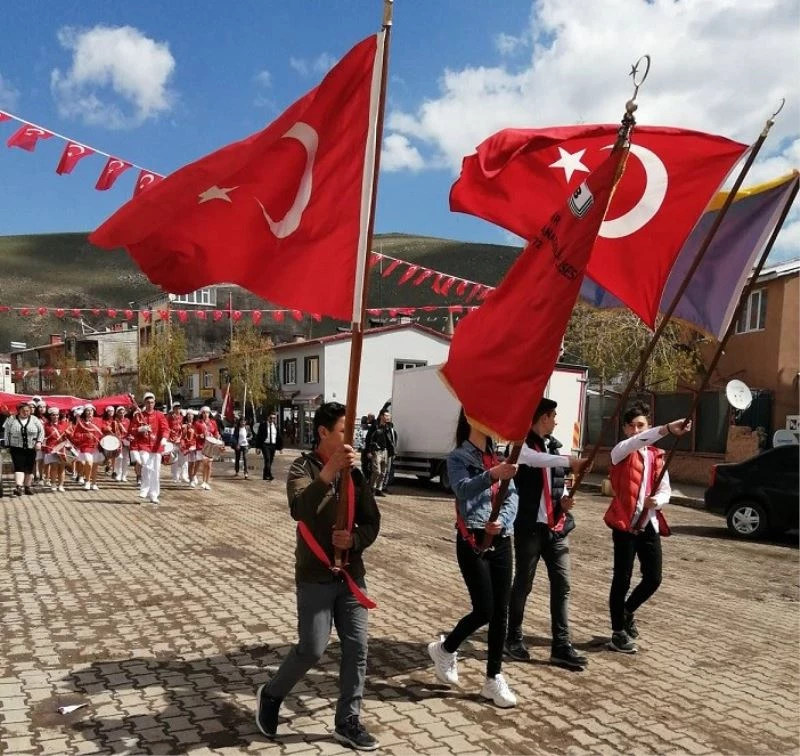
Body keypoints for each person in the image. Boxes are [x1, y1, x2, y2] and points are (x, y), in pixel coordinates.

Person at [255, 402, 381, 750]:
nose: (350, 437)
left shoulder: (356, 474)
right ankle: (272, 694)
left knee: (357, 648)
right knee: (312, 648)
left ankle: (348, 720)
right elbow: (300, 509)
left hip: (351, 574)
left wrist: (354, 540)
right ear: (324, 432)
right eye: (343, 430)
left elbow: (372, 521)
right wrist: (329, 473)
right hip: (315, 574)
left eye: (352, 431)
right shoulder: (303, 467)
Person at [428, 409, 519, 708]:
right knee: (485, 609)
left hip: (501, 539)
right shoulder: (458, 457)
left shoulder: (500, 456)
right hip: (472, 540)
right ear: (471, 419)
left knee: (501, 612)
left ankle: (493, 678)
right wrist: (493, 475)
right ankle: (446, 648)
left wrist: (503, 520)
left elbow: (512, 496)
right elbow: (462, 489)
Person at [506, 398, 589, 670]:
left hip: (556, 528)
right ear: (543, 417)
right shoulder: (521, 446)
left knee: (562, 585)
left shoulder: (554, 446)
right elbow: (536, 461)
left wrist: (563, 500)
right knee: (523, 584)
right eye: (553, 416)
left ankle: (561, 646)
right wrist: (570, 461)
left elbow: (556, 479)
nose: (556, 421)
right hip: (530, 529)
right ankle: (513, 637)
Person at [605, 401, 692, 653]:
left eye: (641, 425)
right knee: (622, 578)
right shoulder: (620, 451)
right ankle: (617, 632)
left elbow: (665, 490)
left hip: (648, 523)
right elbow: (636, 442)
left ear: (647, 425)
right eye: (631, 426)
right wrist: (667, 429)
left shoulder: (657, 456)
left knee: (653, 577)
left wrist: (658, 501)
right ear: (625, 429)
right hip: (624, 523)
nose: (636, 430)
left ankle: (627, 611)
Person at [130, 392, 169, 505]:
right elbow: (131, 430)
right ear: (144, 403)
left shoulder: (159, 415)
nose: (150, 404)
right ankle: (144, 489)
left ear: (154, 403)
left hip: (156, 446)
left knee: (155, 471)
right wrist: (140, 429)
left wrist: (164, 439)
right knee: (146, 465)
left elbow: (165, 429)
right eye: (148, 402)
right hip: (143, 445)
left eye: (152, 402)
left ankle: (154, 494)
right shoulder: (138, 415)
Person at [3, 401, 45, 496]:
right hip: (16, 447)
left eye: (27, 411)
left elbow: (41, 431)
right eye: (23, 411)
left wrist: (39, 442)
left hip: (31, 447)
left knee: (29, 467)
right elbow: (6, 432)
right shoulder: (11, 419)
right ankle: (18, 487)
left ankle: (27, 487)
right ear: (19, 411)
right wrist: (7, 445)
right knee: (19, 467)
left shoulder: (34, 419)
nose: (26, 413)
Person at [72, 405, 104, 491]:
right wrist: (85, 435)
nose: (90, 412)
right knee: (89, 463)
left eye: (91, 410)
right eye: (88, 411)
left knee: (95, 465)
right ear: (85, 412)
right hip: (86, 446)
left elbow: (103, 431)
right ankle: (87, 481)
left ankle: (94, 483)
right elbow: (76, 435)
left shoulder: (98, 421)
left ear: (94, 412)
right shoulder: (81, 423)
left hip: (96, 446)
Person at [364, 409, 394, 497]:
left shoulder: (389, 427)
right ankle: (371, 488)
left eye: (389, 416)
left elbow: (391, 440)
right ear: (381, 416)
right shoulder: (375, 426)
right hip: (376, 451)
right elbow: (368, 439)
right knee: (377, 471)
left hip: (385, 451)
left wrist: (392, 451)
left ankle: (379, 489)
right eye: (386, 415)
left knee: (383, 472)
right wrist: (369, 451)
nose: (388, 417)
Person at [193, 406, 221, 490]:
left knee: (209, 465)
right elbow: (194, 434)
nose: (206, 414)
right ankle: (195, 476)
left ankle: (206, 482)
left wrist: (217, 436)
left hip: (210, 446)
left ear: (209, 413)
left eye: (207, 412)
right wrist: (200, 436)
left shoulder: (213, 422)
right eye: (204, 413)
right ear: (201, 414)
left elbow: (216, 432)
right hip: (201, 446)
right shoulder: (198, 423)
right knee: (201, 463)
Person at [255, 411, 283, 481]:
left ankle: (265, 475)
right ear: (268, 417)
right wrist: (258, 447)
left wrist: (280, 448)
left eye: (274, 418)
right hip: (265, 445)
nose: (272, 419)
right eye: (271, 418)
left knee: (270, 461)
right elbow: (259, 437)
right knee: (267, 459)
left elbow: (278, 437)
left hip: (273, 445)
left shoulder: (276, 426)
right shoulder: (263, 425)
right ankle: (269, 475)